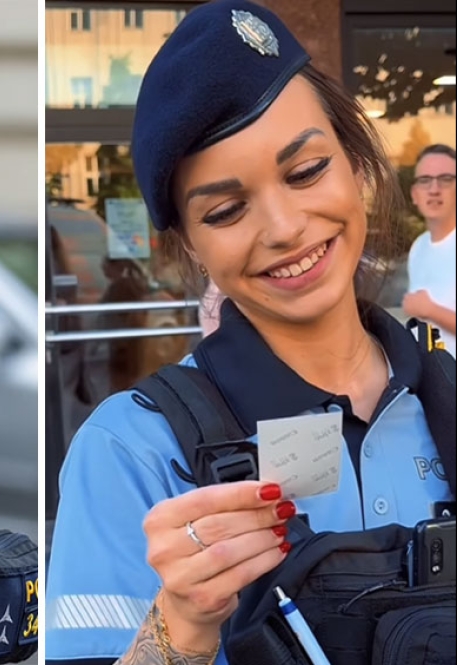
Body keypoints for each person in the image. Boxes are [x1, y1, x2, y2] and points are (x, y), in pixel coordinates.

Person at [44, 2, 454, 665]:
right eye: (227, 208)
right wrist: (179, 624)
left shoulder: (446, 395)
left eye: (305, 171)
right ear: (189, 245)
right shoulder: (129, 449)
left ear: (354, 165)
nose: (283, 227)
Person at [402, 144, 456, 357]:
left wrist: (431, 311)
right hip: (436, 385)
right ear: (415, 194)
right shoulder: (419, 247)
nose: (434, 189)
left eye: (445, 179)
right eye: (425, 180)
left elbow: (423, 309)